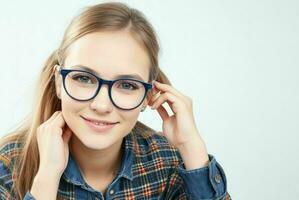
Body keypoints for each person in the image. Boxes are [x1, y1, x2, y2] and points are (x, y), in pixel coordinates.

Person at [0, 2, 231, 200]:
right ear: (59, 82)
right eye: (83, 78)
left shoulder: (168, 162)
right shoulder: (9, 164)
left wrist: (192, 149)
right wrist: (47, 178)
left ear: (148, 96)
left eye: (127, 85)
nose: (101, 106)